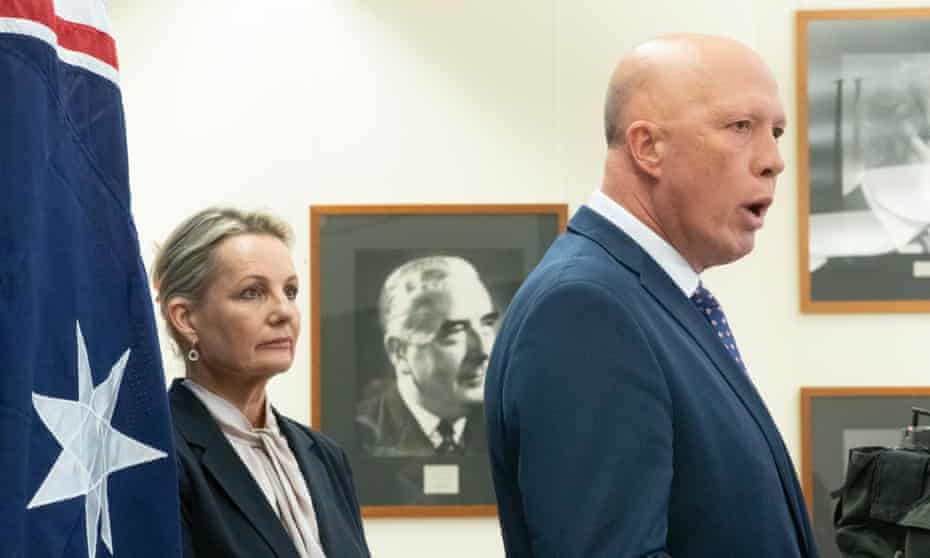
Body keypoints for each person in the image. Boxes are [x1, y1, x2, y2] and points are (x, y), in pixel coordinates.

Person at [484, 34, 818, 557]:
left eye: (775, 132)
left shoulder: (649, 299)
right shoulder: (584, 310)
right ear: (647, 147)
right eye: (740, 126)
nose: (773, 160)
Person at [152, 208, 370, 558]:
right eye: (252, 292)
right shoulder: (158, 454)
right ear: (186, 319)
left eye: (290, 291)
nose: (284, 311)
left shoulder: (325, 456)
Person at [355, 256, 499, 457]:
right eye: (455, 332)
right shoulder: (358, 434)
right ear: (399, 352)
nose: (484, 351)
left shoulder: (507, 429)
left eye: (486, 325)